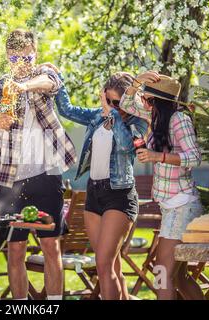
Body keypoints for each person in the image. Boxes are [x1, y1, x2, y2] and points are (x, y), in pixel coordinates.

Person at [0, 29, 77, 300]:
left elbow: (51, 84)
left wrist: (23, 86)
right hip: (10, 177)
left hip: (45, 175)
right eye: (15, 58)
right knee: (15, 250)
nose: (22, 63)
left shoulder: (45, 76)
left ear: (35, 55)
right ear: (7, 56)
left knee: (50, 245)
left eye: (28, 57)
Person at [49, 66, 148, 300]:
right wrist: (57, 76)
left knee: (103, 266)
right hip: (94, 193)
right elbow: (66, 110)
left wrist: (112, 113)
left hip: (120, 195)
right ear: (104, 94)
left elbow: (125, 146)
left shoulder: (138, 122)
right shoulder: (95, 116)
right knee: (111, 266)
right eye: (112, 101)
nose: (117, 108)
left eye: (121, 103)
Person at [120, 71, 205, 300]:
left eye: (148, 99)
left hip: (182, 205)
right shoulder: (156, 116)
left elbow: (194, 157)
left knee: (162, 271)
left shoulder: (179, 119)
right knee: (178, 277)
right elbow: (126, 103)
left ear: (161, 102)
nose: (144, 103)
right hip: (173, 205)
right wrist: (138, 80)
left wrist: (158, 156)